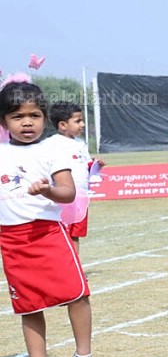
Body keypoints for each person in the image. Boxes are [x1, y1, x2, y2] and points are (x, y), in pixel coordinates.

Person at [0, 79, 95, 357]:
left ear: (44, 117)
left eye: (34, 115)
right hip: (12, 240)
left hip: (48, 234)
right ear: (4, 121)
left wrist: (49, 190)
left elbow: (67, 192)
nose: (27, 122)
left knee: (76, 295)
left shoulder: (53, 150)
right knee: (28, 304)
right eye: (17, 116)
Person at [48, 101, 104, 254]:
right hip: (63, 197)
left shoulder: (80, 144)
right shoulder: (52, 144)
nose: (83, 124)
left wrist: (95, 165)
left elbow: (85, 165)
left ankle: (75, 268)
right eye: (78, 121)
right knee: (60, 233)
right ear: (63, 125)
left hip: (81, 197)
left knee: (75, 234)